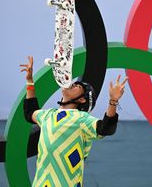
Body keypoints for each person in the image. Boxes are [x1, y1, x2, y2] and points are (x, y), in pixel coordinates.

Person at [20, 56, 128, 187]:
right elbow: (29, 112)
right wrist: (30, 81)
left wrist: (113, 101)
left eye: (77, 86)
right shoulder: (47, 115)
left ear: (82, 100)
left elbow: (106, 129)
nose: (72, 84)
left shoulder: (81, 119)